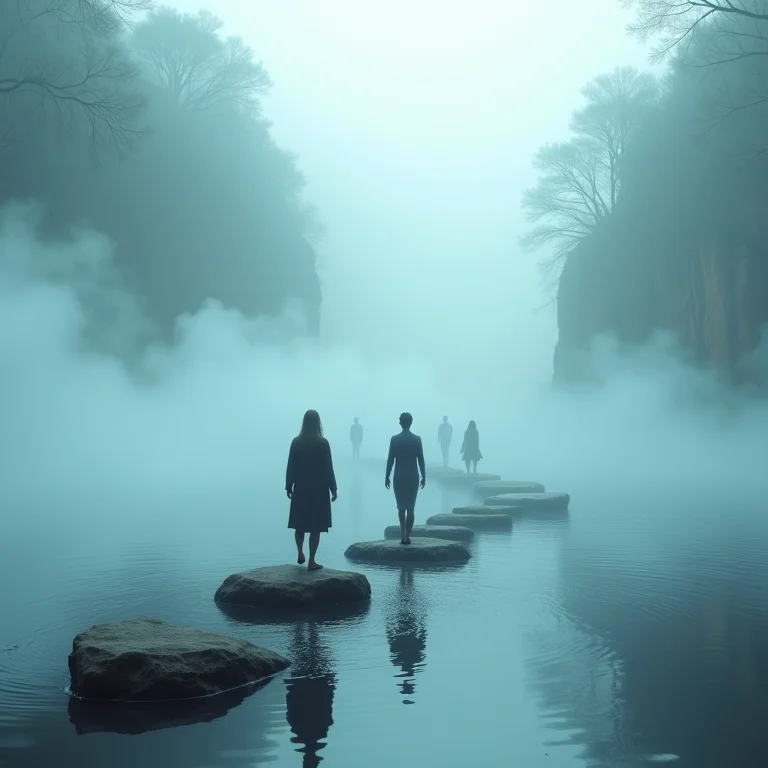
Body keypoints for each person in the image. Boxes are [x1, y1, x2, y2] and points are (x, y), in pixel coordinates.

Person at [285, 409, 337, 571]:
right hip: (319, 489)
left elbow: (291, 466)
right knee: (316, 526)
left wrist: (289, 485)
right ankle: (312, 560)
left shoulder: (296, 442)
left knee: (299, 523)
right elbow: (328, 468)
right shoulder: (323, 443)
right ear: (318, 423)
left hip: (301, 487)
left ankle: (300, 552)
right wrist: (333, 488)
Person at [385, 412, 426, 545]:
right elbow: (420, 459)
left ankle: (403, 534)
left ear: (400, 422)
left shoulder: (394, 439)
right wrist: (424, 475)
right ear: (411, 422)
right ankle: (407, 535)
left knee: (401, 507)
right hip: (413, 476)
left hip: (399, 476)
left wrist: (386, 476)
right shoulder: (417, 439)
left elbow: (390, 459)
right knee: (411, 507)